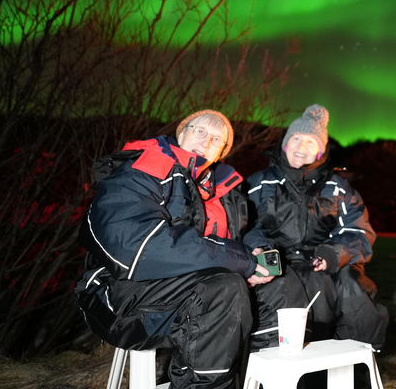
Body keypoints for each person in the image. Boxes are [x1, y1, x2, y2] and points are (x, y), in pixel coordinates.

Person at [74, 110, 271, 389]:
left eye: (216, 138)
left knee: (278, 286)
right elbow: (140, 247)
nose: (205, 141)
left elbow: (245, 232)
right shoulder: (142, 169)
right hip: (121, 293)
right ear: (182, 133)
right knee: (224, 289)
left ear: (221, 152)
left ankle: (266, 381)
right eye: (199, 130)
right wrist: (239, 260)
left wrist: (258, 252)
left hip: (185, 287)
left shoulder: (221, 188)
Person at [245, 104, 388, 354]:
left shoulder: (338, 187)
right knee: (286, 287)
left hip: (324, 259)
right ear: (286, 144)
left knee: (353, 286)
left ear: (320, 151)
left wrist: (334, 255)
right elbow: (247, 225)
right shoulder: (258, 183)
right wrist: (262, 251)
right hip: (279, 261)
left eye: (310, 142)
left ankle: (354, 366)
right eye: (296, 139)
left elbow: (358, 231)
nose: (301, 147)